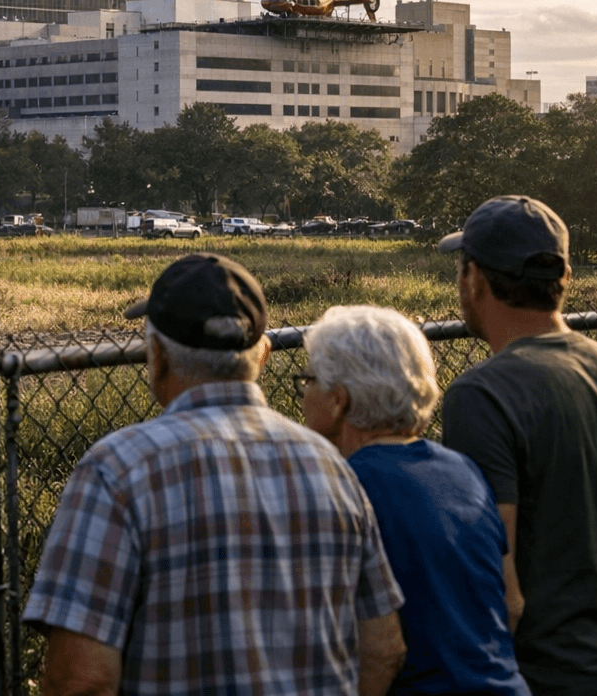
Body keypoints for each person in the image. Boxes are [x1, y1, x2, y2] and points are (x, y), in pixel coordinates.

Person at [23, 252, 407, 696]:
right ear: (263, 356)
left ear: (158, 356)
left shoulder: (116, 472)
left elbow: (81, 679)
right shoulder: (332, 467)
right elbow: (384, 647)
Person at [438, 196, 597, 696]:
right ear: (562, 278)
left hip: (549, 676)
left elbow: (500, 578)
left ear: (475, 279)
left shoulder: (480, 395)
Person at [300, 304, 529, 696]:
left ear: (338, 401)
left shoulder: (342, 487)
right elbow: (512, 604)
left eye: (307, 380)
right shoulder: (462, 471)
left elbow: (373, 648)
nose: (303, 393)